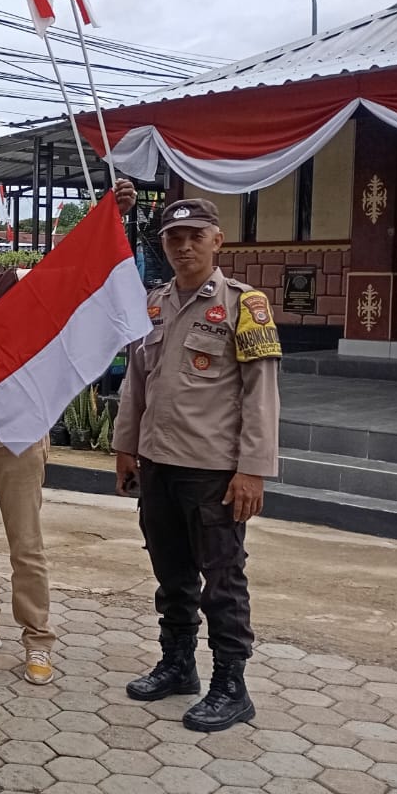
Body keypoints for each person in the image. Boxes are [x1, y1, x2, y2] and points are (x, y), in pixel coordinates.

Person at [0, 180, 138, 686]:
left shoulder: (17, 286)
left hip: (16, 433)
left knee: (26, 544)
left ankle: (37, 640)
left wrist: (112, 216)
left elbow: (75, 272)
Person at [114, 198, 280, 732]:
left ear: (217, 240)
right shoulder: (155, 304)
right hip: (158, 464)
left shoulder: (244, 305)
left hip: (214, 472)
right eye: (173, 238)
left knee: (223, 580)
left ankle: (231, 684)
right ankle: (177, 663)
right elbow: (136, 381)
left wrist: (252, 469)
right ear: (163, 245)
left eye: (194, 236)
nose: (183, 246)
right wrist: (125, 446)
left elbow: (260, 393)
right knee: (171, 573)